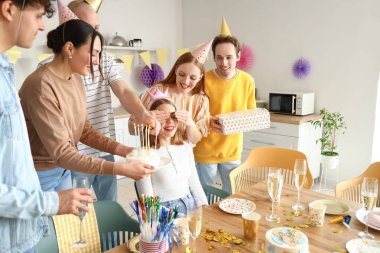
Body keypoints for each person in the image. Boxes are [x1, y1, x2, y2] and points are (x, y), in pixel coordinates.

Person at [19, 19, 155, 192]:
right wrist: (120, 168)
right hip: (40, 175)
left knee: (74, 219)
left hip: (63, 171)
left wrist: (126, 151)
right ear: (69, 48)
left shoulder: (75, 78)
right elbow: (62, 153)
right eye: (93, 53)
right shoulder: (41, 85)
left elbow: (85, 130)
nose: (97, 61)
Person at [0, 1, 93, 253]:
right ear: (9, 9)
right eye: (38, 16)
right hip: (8, 238)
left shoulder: (5, 70)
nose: (42, 26)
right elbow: (61, 150)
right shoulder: (40, 84)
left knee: (62, 238)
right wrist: (51, 201)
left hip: (20, 230)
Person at [194, 34, 256, 194]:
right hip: (205, 150)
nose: (224, 63)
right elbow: (193, 112)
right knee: (205, 197)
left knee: (232, 196)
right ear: (213, 58)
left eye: (229, 57)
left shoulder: (247, 80)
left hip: (232, 150)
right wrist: (208, 120)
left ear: (238, 56)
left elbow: (251, 114)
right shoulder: (202, 80)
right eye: (219, 58)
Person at [136, 98, 207, 214]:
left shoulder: (185, 146)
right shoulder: (145, 155)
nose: (170, 122)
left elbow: (194, 183)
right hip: (164, 212)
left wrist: (204, 206)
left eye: (173, 116)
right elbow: (147, 201)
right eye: (163, 118)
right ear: (151, 122)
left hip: (191, 204)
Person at [138, 44, 213, 145]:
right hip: (154, 153)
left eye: (193, 78)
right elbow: (132, 128)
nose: (186, 81)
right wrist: (146, 120)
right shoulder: (157, 90)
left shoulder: (201, 100)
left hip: (182, 156)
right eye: (182, 74)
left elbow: (195, 139)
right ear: (176, 70)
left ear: (200, 78)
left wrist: (190, 123)